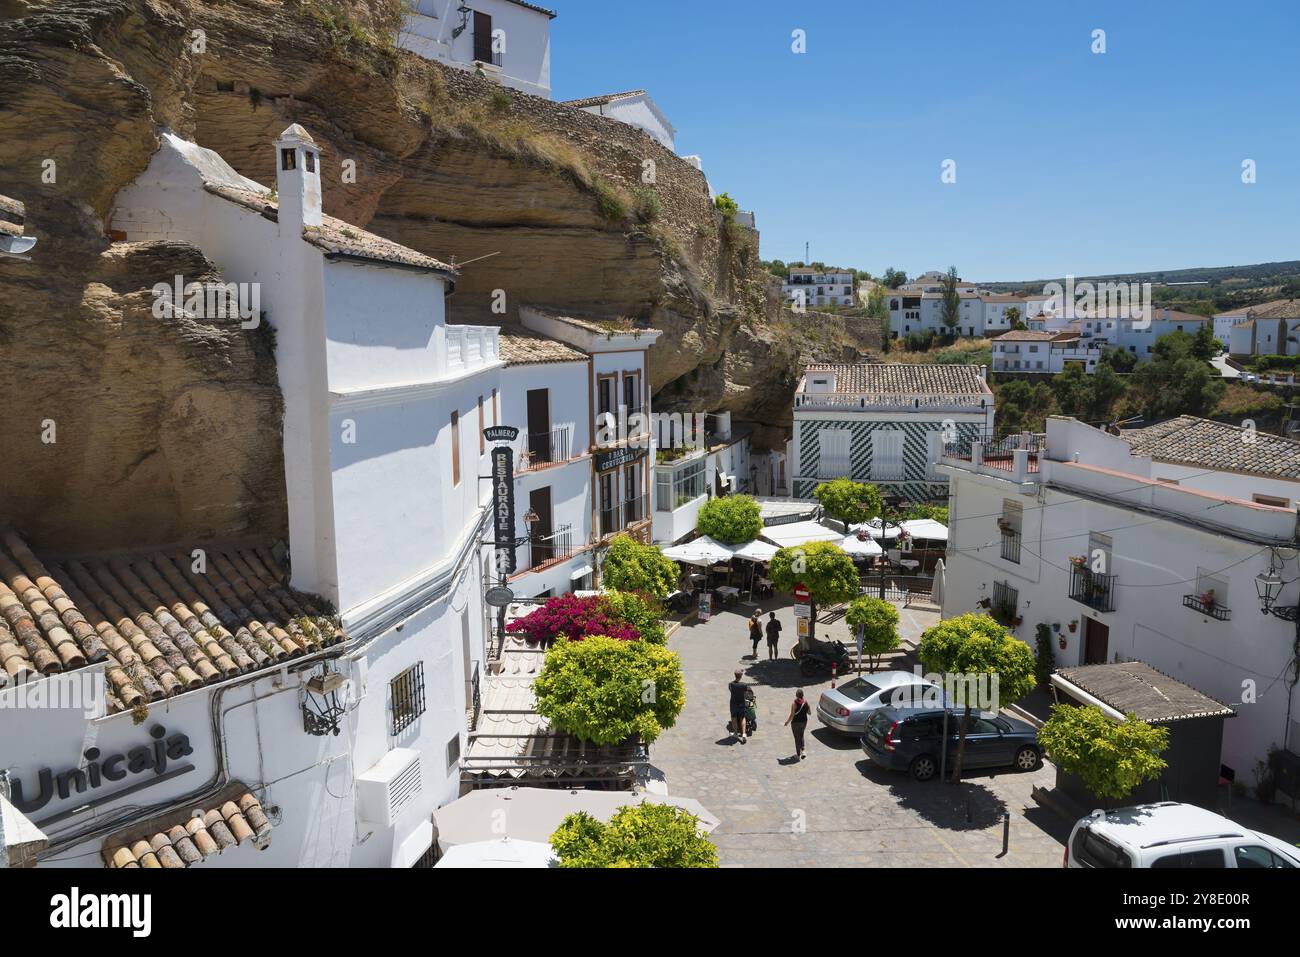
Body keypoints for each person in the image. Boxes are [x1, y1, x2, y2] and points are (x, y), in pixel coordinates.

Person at [784, 688, 811, 760]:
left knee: (797, 738)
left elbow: (792, 714)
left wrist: (787, 722)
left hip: (795, 723)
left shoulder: (794, 703)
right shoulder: (806, 702)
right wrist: (808, 707)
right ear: (802, 695)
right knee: (801, 735)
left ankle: (798, 755)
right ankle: (803, 751)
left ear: (796, 695)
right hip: (804, 721)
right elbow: (809, 713)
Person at [727, 669, 749, 743]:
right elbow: (746, 693)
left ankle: (736, 733)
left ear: (735, 675)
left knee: (734, 718)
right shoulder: (744, 685)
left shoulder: (731, 684)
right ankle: (743, 734)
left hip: (733, 703)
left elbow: (730, 690)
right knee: (742, 717)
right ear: (741, 676)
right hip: (741, 703)